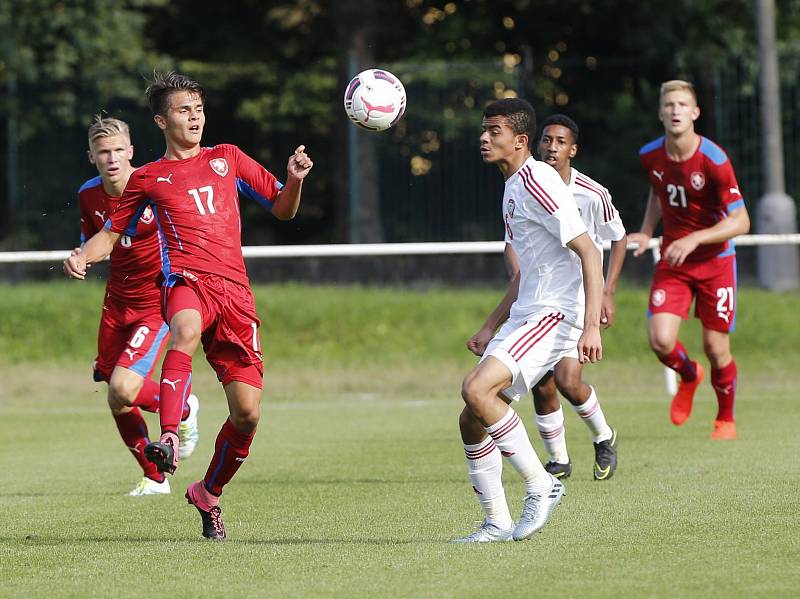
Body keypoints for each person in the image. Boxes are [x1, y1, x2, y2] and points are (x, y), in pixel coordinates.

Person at [64, 71, 313, 540]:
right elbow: (110, 234)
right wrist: (82, 254)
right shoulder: (148, 177)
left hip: (236, 295)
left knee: (247, 413)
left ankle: (208, 492)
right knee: (184, 330)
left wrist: (295, 180)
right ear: (161, 120)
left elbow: (283, 208)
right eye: (183, 110)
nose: (195, 117)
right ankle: (171, 435)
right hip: (185, 281)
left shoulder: (228, 158)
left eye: (198, 108)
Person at [454, 98, 604, 543]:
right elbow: (526, 271)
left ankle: (542, 484)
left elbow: (590, 251)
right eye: (483, 130)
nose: (484, 138)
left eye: (494, 130)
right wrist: (489, 324)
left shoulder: (537, 180)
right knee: (471, 418)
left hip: (554, 312)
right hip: (529, 310)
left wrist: (591, 324)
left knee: (476, 389)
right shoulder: (513, 185)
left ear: (520, 141)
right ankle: (497, 522)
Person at [71, 116, 199, 497]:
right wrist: (80, 257)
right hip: (116, 304)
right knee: (115, 395)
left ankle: (183, 408)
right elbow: (96, 239)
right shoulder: (89, 194)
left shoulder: (153, 186)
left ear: (131, 151)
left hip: (154, 302)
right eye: (103, 152)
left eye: (117, 151)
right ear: (92, 156)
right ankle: (155, 478)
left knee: (124, 388)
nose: (111, 158)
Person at [628, 80, 750, 440]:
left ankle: (725, 419)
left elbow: (741, 221)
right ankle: (689, 374)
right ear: (661, 113)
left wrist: (696, 237)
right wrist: (648, 231)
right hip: (675, 260)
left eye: (683, 104)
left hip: (715, 262)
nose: (676, 110)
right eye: (669, 105)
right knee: (661, 341)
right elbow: (657, 190)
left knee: (716, 347)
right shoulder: (650, 155)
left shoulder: (714, 160)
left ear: (695, 113)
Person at [508, 114, 625, 480]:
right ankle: (558, 459)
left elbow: (617, 237)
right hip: (541, 299)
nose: (551, 147)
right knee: (541, 382)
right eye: (546, 140)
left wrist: (607, 291)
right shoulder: (525, 185)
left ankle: (603, 436)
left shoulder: (592, 193)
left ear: (572, 149)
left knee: (567, 380)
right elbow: (514, 243)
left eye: (560, 141)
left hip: (577, 301)